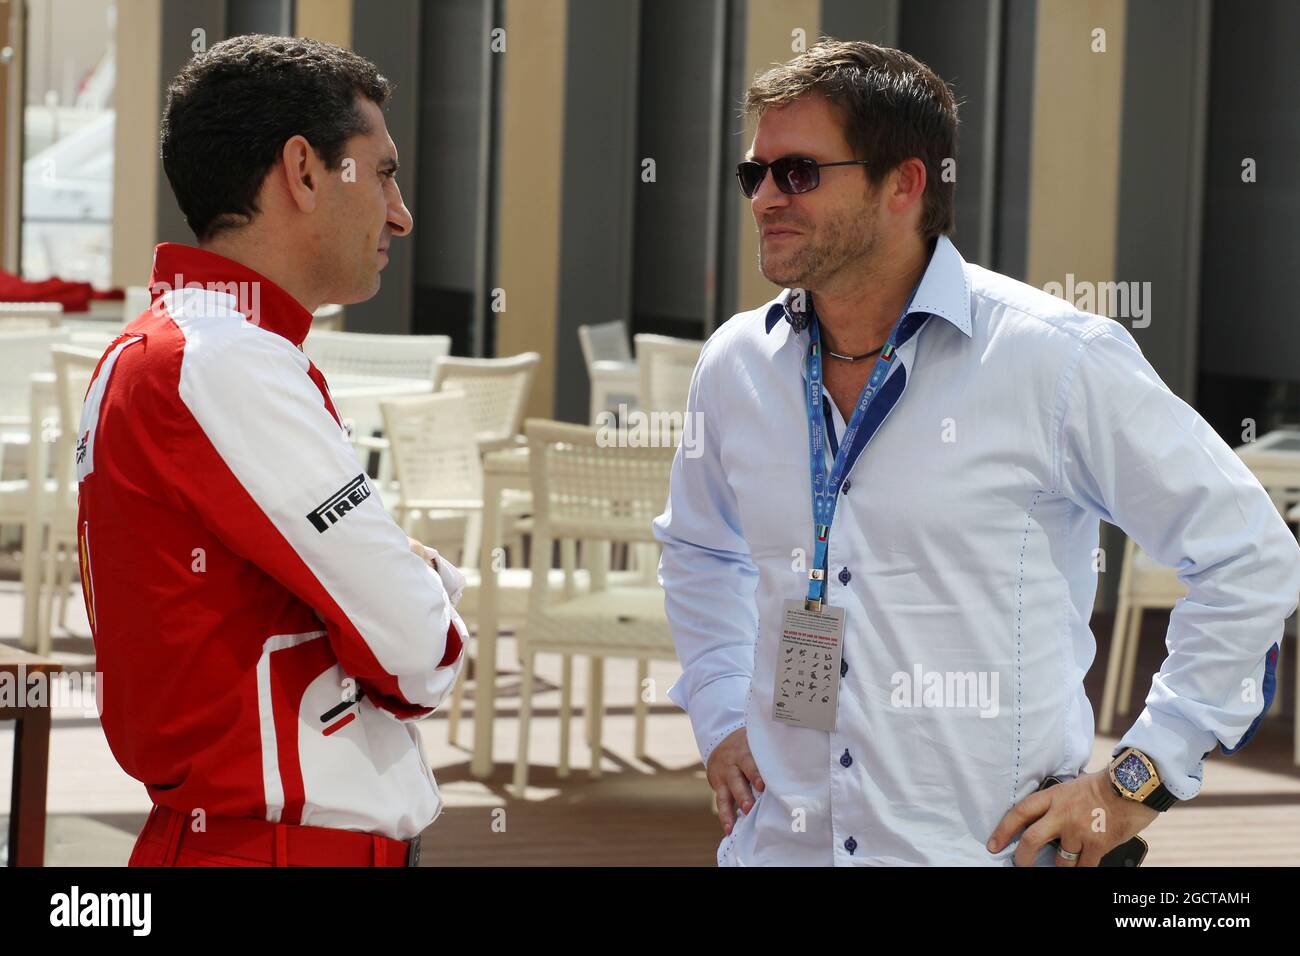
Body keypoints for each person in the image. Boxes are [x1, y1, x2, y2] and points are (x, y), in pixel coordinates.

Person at [653, 39, 1300, 866]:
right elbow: (701, 549)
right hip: (780, 847)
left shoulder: (1056, 360)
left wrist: (1136, 783)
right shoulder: (736, 363)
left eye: (800, 173)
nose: (766, 198)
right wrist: (717, 712)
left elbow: (1248, 558)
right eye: (756, 174)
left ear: (905, 183)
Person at [75, 35, 463, 866]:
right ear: (305, 170)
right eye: (384, 171)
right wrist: (425, 576)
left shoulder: (192, 348)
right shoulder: (222, 359)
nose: (400, 212)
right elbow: (421, 654)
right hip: (279, 848)